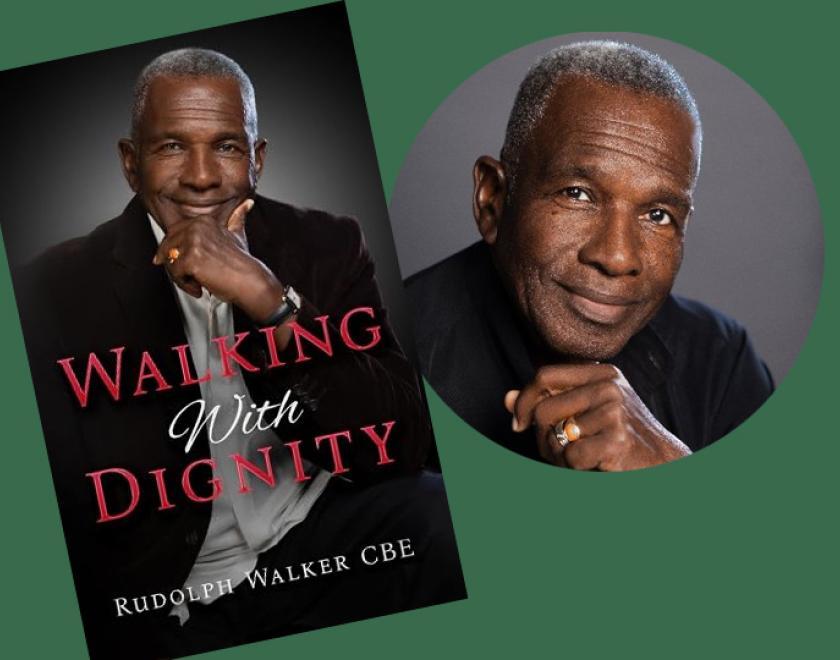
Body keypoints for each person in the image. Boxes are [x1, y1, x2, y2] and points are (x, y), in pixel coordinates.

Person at [15, 49, 463, 659]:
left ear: (257, 159)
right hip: (171, 592)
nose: (202, 176)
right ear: (130, 163)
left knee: (440, 517)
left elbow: (405, 438)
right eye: (171, 147)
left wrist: (269, 300)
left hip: (309, 537)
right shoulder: (53, 288)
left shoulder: (326, 242)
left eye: (226, 146)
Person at [406, 41, 773, 471]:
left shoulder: (721, 362)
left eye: (658, 214)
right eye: (577, 194)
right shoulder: (379, 359)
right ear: (493, 200)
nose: (617, 256)